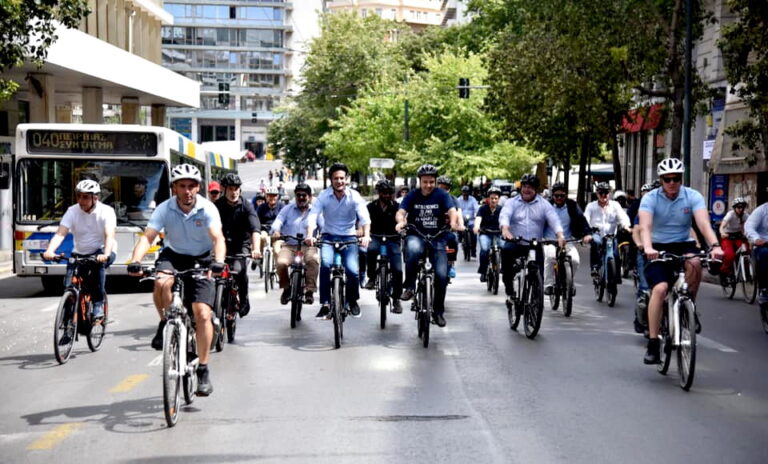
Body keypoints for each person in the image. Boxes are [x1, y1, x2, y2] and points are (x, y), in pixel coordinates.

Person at [128, 164, 225, 396]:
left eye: (191, 186)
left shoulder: (208, 208)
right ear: (174, 188)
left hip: (202, 258)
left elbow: (217, 238)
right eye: (182, 186)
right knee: (161, 282)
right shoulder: (164, 208)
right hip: (173, 256)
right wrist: (135, 259)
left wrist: (218, 262)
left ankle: (203, 369)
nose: (187, 191)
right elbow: (148, 237)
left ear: (198, 187)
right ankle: (165, 322)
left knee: (202, 313)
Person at [638, 158, 723, 365]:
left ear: (681, 179)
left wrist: (715, 246)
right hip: (657, 247)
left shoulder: (692, 196)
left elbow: (703, 223)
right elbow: (645, 227)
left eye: (676, 178)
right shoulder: (650, 198)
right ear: (661, 180)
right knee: (660, 289)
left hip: (683, 243)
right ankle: (653, 342)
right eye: (667, 179)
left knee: (695, 263)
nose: (672, 183)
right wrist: (648, 248)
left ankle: (689, 306)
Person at [43, 179, 116, 324]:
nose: (80, 200)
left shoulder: (106, 211)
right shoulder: (72, 211)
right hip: (80, 253)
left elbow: (109, 235)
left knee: (98, 268)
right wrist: (50, 250)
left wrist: (106, 254)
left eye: (85, 197)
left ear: (95, 198)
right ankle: (67, 328)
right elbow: (60, 234)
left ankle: (98, 304)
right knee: (69, 288)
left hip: (102, 250)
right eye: (78, 196)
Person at [396, 164, 458, 327]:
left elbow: (452, 210)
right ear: (420, 181)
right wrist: (401, 221)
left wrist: (453, 222)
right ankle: (409, 286)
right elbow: (401, 211)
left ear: (435, 181)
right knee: (413, 249)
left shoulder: (442, 194)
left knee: (442, 276)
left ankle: (438, 312)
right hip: (417, 234)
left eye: (431, 182)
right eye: (425, 182)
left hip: (438, 237)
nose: (428, 185)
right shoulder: (412, 195)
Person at [306, 162, 370, 319]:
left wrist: (366, 235)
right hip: (328, 236)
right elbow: (313, 215)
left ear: (347, 179)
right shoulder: (323, 196)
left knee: (353, 271)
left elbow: (364, 217)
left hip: (349, 237)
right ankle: (325, 304)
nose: (339, 181)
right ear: (331, 180)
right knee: (326, 265)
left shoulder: (354, 196)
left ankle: (353, 300)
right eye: (336, 178)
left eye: (342, 178)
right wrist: (310, 234)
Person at [500, 174, 565, 306]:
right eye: (524, 186)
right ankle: (509, 288)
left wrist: (560, 235)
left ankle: (535, 302)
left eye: (530, 187)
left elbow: (554, 219)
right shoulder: (511, 202)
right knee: (506, 251)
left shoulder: (544, 204)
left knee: (538, 276)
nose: (526, 190)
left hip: (535, 245)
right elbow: (505, 215)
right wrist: (505, 229)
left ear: (536, 189)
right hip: (516, 242)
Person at [214, 173, 261, 317]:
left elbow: (255, 228)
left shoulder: (247, 206)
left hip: (241, 245)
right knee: (213, 273)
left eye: (236, 189)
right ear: (224, 190)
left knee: (238, 270)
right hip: (220, 245)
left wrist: (256, 249)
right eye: (230, 189)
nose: (234, 192)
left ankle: (244, 297)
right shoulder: (216, 206)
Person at [272, 183, 321, 307]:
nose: (301, 198)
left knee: (313, 261)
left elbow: (324, 227)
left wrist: (319, 237)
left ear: (309, 197)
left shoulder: (315, 212)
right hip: (289, 245)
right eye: (298, 195)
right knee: (281, 263)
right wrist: (276, 231)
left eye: (304, 195)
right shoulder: (287, 209)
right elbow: (278, 221)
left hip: (308, 246)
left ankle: (309, 290)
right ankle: (286, 288)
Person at [543, 182, 591, 296]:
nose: (559, 198)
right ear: (552, 196)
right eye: (556, 195)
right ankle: (548, 284)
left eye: (562, 196)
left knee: (575, 260)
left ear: (566, 196)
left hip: (567, 241)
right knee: (550, 257)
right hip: (550, 241)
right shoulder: (546, 206)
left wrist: (586, 234)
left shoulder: (572, 206)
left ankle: (568, 281)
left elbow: (581, 220)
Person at [363, 180, 404, 313]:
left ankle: (396, 299)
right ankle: (372, 277)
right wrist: (364, 234)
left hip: (393, 239)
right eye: (384, 193)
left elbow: (403, 220)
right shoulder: (370, 207)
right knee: (371, 249)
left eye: (389, 193)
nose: (387, 195)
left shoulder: (397, 207)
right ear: (379, 193)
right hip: (375, 236)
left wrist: (402, 226)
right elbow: (364, 222)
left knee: (397, 270)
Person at [584, 182, 631, 278]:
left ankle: (616, 278)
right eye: (601, 193)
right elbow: (585, 220)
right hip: (597, 233)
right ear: (597, 194)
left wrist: (626, 226)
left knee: (616, 255)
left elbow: (623, 216)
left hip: (611, 235)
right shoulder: (591, 206)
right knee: (596, 242)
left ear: (609, 194)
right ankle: (595, 267)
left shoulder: (615, 205)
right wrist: (587, 233)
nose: (603, 195)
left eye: (606, 193)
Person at [437, 176, 464, 279]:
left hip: (448, 229)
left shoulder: (453, 199)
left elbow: (459, 214)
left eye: (446, 188)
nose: (444, 190)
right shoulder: (430, 198)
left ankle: (451, 263)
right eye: (441, 187)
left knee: (454, 240)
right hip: (432, 230)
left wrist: (460, 224)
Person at [474, 186, 502, 282]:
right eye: (492, 198)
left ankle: (502, 267)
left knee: (505, 248)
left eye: (496, 198)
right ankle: (483, 271)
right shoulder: (482, 209)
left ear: (499, 199)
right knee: (485, 249)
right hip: (485, 233)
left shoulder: (502, 209)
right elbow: (478, 219)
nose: (493, 200)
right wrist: (476, 226)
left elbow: (506, 221)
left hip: (498, 234)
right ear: (488, 199)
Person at [745, 201, 768, 315]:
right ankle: (764, 289)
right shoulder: (762, 210)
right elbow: (749, 226)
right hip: (763, 244)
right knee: (765, 254)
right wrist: (756, 239)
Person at [719, 197, 750, 276]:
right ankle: (724, 271)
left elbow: (750, 226)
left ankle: (747, 270)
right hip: (727, 236)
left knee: (746, 251)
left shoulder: (745, 215)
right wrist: (722, 233)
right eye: (738, 207)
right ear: (734, 208)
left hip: (738, 236)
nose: (741, 209)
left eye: (742, 207)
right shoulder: (730, 214)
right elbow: (722, 226)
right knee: (729, 254)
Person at [256, 186, 284, 257]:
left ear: (277, 197)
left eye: (274, 196)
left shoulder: (282, 207)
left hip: (277, 232)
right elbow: (256, 220)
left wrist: (280, 231)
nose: (272, 198)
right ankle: (260, 256)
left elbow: (286, 220)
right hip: (265, 229)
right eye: (270, 196)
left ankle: (276, 263)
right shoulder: (261, 207)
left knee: (277, 249)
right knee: (262, 237)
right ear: (266, 196)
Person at [457, 185, 479, 258]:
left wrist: (476, 215)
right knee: (459, 230)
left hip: (471, 220)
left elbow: (476, 209)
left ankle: (473, 251)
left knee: (474, 234)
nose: (465, 195)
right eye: (464, 193)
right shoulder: (458, 200)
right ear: (462, 193)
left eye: (466, 193)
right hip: (462, 220)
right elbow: (457, 210)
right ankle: (460, 240)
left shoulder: (473, 200)